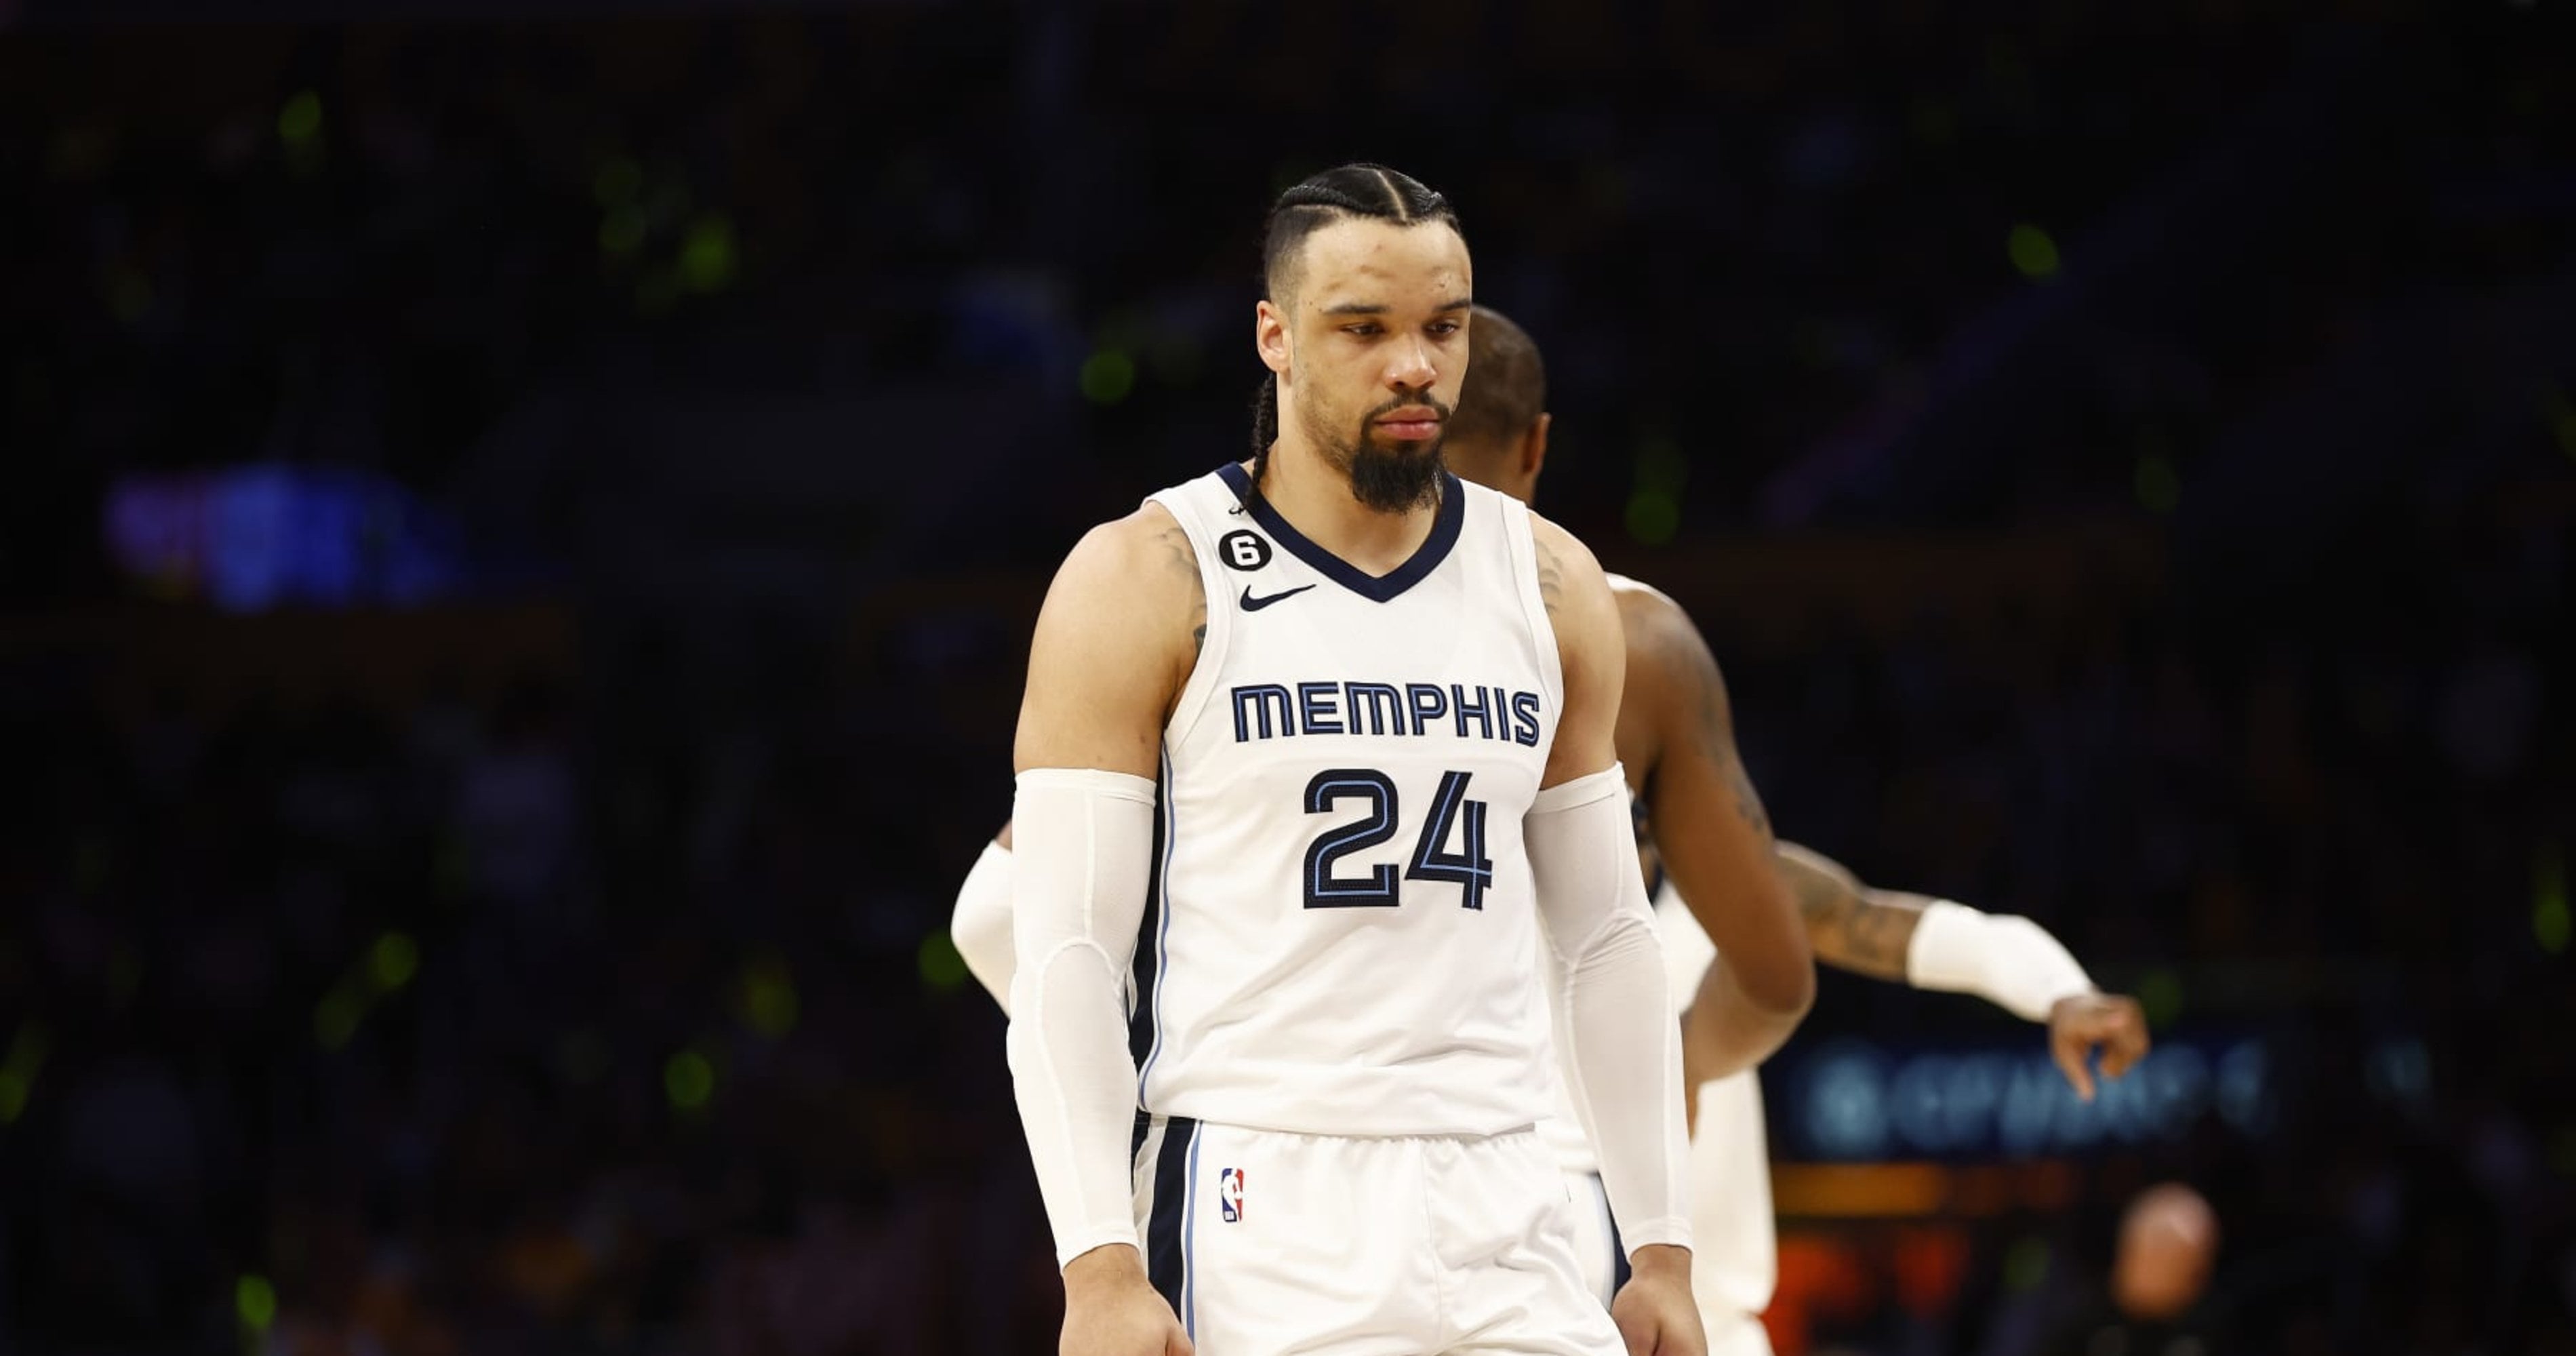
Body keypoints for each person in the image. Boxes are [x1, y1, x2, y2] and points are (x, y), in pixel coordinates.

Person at [999, 165, 1706, 1356]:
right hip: (1259, 1197)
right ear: (1274, 337)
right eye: (1364, 330)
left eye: (1443, 328)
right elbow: (1067, 953)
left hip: (1511, 1191)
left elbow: (1605, 936)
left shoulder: (1551, 579)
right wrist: (1100, 1265)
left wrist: (1664, 1249)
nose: (1415, 366)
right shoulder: (1146, 575)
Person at [1432, 307, 2155, 1356]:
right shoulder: (1506, 877)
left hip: (1692, 1318)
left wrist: (2060, 991)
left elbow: (1906, 929)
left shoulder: (1712, 901)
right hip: (1554, 1289)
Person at [2036, 1182, 2226, 1356]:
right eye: (2161, 1254)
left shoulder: (2209, 1331)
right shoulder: (2082, 1322)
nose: (2187, 1274)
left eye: (2189, 1262)